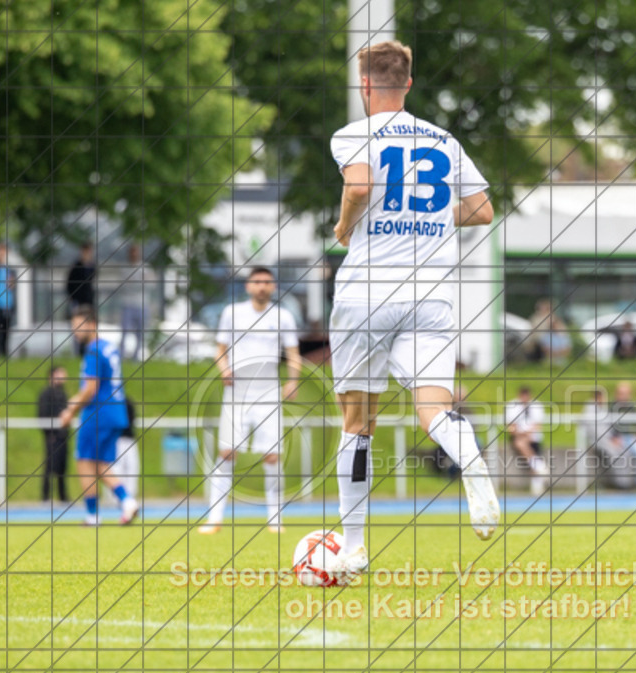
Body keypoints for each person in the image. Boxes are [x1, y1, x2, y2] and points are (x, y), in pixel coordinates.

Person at [327, 40, 499, 583]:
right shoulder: (444, 140)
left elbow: (359, 184)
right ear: (408, 83)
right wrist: (423, 220)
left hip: (367, 295)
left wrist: (344, 226)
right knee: (433, 409)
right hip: (433, 296)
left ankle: (352, 548)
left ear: (365, 85)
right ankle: (470, 462)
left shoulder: (355, 133)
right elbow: (481, 210)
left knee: (358, 424)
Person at [198, 267, 302, 534]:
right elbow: (220, 350)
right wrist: (224, 370)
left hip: (268, 393)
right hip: (238, 392)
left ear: (274, 287)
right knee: (227, 453)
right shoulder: (232, 313)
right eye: (257, 282)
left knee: (272, 456)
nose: (262, 287)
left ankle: (275, 518)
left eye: (267, 282)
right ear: (248, 286)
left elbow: (293, 353)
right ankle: (215, 518)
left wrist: (293, 380)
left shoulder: (283, 316)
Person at [59, 305, 137, 526]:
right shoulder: (108, 347)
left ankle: (93, 515)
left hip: (99, 412)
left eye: (79, 326)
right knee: (99, 463)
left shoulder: (93, 350)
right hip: (116, 411)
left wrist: (70, 409)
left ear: (91, 324)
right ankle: (127, 501)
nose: (76, 331)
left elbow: (90, 389)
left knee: (84, 460)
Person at [505, 387, 550, 496]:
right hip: (518, 436)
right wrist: (521, 434)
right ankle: (539, 468)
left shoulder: (536, 405)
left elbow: (537, 425)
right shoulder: (512, 406)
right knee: (520, 443)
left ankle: (537, 478)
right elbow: (511, 426)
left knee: (526, 446)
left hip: (533, 438)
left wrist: (527, 434)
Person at [37, 366, 70, 502]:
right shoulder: (45, 394)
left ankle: (63, 496)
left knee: (63, 467)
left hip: (63, 436)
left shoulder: (63, 394)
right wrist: (50, 432)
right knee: (50, 466)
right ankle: (45, 497)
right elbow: (42, 414)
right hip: (52, 436)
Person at [118, 244, 153, 362]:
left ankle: (135, 357)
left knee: (140, 333)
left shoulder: (145, 268)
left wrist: (136, 283)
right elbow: (125, 286)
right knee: (124, 331)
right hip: (127, 304)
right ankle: (121, 356)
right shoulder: (124, 268)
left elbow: (149, 285)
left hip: (142, 305)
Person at [66, 242, 96, 315]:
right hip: (78, 300)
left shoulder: (92, 267)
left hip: (88, 300)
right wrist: (73, 298)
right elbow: (70, 284)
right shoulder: (76, 267)